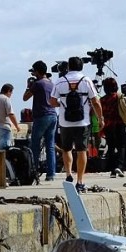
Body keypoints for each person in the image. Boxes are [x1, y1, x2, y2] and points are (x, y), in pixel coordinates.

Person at [50, 56, 103, 193]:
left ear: (68, 67)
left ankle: (68, 174)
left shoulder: (60, 81)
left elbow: (52, 101)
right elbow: (96, 102)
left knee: (66, 149)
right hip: (82, 122)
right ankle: (80, 181)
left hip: (65, 122)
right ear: (81, 67)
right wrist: (100, 117)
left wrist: (62, 104)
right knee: (81, 150)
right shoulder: (86, 80)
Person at [23, 60, 57, 181]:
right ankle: (51, 174)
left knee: (35, 146)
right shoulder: (51, 83)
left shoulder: (38, 84)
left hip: (41, 116)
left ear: (37, 71)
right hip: (53, 115)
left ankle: (33, 172)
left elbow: (25, 98)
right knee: (50, 146)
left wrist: (29, 86)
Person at [100, 77, 126, 178]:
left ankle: (112, 170)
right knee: (121, 146)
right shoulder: (119, 97)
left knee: (111, 147)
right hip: (120, 123)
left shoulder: (102, 100)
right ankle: (120, 166)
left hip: (108, 125)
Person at [0, 83, 20, 149]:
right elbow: (10, 114)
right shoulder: (5, 99)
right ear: (8, 91)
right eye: (11, 93)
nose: (11, 95)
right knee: (5, 149)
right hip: (3, 127)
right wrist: (17, 126)